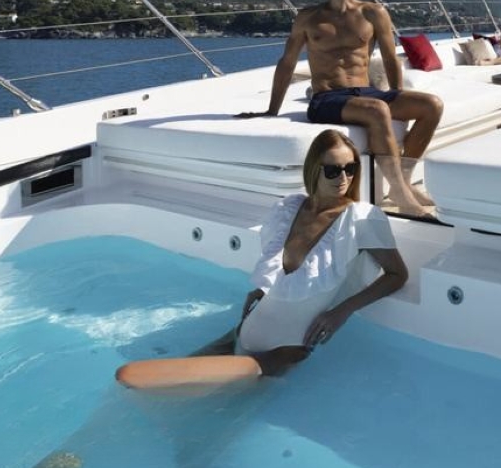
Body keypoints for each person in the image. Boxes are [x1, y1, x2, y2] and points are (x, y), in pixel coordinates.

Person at [115, 130, 409, 391]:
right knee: (145, 395)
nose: (343, 178)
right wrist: (263, 289)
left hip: (279, 355)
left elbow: (397, 274)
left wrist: (341, 312)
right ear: (314, 170)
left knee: (148, 385)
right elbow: (286, 274)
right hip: (242, 332)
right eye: (333, 170)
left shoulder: (360, 219)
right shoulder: (290, 209)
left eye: (350, 168)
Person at [237, 0, 442, 215]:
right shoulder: (308, 17)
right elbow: (287, 63)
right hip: (326, 98)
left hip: (366, 92)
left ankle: (402, 181)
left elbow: (391, 58)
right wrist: (271, 110)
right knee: (377, 109)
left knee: (431, 105)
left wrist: (397, 95)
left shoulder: (373, 13)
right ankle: (402, 195)